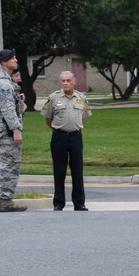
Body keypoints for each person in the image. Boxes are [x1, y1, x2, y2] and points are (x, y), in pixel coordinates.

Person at [41, 71, 91, 211]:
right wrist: (60, 129)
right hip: (59, 137)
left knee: (77, 170)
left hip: (76, 137)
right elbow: (48, 119)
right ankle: (58, 203)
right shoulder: (53, 98)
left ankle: (79, 203)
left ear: (74, 81)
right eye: (63, 80)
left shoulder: (81, 98)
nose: (65, 83)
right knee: (59, 170)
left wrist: (73, 128)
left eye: (68, 80)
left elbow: (83, 118)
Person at [0, 49, 27, 212]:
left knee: (4, 164)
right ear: (4, 62)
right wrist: (16, 130)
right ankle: (5, 199)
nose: (16, 59)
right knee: (9, 164)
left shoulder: (5, 81)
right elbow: (7, 109)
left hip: (2, 129)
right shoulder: (4, 83)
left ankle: (1, 197)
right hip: (6, 131)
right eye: (13, 58)